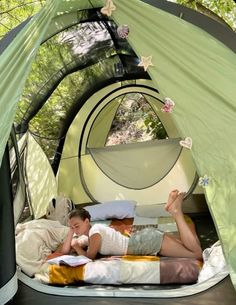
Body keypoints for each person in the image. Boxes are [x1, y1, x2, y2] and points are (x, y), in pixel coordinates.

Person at [60, 190, 203, 260]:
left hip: (145, 243)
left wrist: (77, 246)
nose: (74, 229)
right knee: (191, 247)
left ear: (87, 222)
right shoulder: (89, 236)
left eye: (77, 226)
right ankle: (176, 210)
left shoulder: (95, 232)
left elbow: (89, 257)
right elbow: (65, 251)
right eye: (72, 227)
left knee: (196, 254)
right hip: (144, 238)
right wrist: (72, 234)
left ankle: (176, 212)